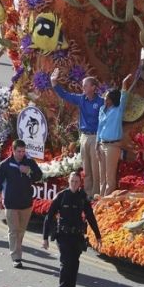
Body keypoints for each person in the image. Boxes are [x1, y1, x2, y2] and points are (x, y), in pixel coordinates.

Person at [42, 171, 102, 287]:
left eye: (76, 181)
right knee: (66, 264)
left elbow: (90, 217)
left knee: (74, 266)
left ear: (80, 183)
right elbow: (49, 217)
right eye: (72, 181)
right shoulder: (61, 196)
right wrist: (45, 238)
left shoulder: (82, 197)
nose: (74, 184)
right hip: (63, 236)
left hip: (77, 237)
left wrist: (98, 236)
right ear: (68, 182)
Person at [51, 70, 104, 198]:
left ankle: (96, 194)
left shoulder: (101, 102)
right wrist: (54, 83)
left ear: (93, 87)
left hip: (96, 137)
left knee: (95, 167)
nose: (83, 87)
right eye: (83, 85)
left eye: (85, 85)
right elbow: (65, 95)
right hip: (84, 137)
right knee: (86, 167)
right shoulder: (81, 99)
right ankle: (87, 193)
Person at [0, 139, 44, 268]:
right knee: (13, 230)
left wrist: (28, 171)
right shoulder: (5, 165)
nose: (21, 154)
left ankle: (18, 249)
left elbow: (39, 176)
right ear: (13, 150)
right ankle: (16, 257)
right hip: (11, 203)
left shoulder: (29, 162)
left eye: (23, 151)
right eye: (19, 151)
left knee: (21, 231)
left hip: (26, 203)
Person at [96, 74, 133, 197]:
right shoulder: (102, 110)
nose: (105, 100)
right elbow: (99, 127)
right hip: (102, 144)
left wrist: (124, 84)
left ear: (112, 100)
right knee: (102, 177)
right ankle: (100, 201)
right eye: (105, 98)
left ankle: (107, 202)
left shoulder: (118, 110)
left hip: (113, 146)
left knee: (110, 177)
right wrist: (97, 144)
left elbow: (124, 97)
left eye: (107, 98)